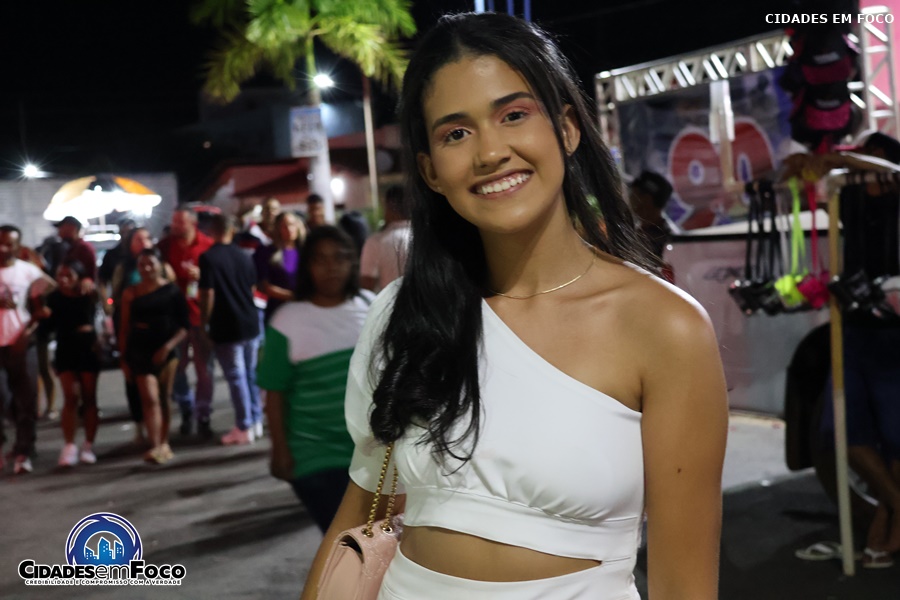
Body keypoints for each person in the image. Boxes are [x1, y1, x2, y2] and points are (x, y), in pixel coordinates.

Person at [300, 13, 727, 600]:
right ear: (429, 170)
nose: (490, 152)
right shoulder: (405, 314)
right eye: (456, 133)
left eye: (514, 115)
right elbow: (360, 509)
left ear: (567, 129)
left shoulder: (665, 327)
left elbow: (685, 584)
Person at [257, 226, 375, 533]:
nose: (331, 267)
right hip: (315, 455)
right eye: (320, 259)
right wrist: (280, 450)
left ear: (352, 262)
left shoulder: (371, 306)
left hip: (371, 453)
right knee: (345, 541)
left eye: (340, 258)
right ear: (307, 266)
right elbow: (274, 393)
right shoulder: (288, 321)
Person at [119, 249, 190, 464]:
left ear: (160, 265)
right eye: (142, 265)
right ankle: (155, 444)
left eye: (151, 263)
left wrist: (167, 348)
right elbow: (124, 328)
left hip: (166, 348)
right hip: (139, 348)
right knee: (149, 398)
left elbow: (184, 327)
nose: (146, 268)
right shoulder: (131, 293)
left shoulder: (172, 291)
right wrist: (123, 358)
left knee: (163, 398)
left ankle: (164, 442)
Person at [199, 214, 262, 445]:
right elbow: (252, 287)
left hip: (226, 323)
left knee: (236, 376)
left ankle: (244, 426)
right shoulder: (244, 256)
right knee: (250, 374)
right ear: (231, 230)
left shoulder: (208, 258)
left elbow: (207, 293)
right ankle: (255, 420)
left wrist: (204, 322)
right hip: (250, 320)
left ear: (212, 231)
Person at [0, 225, 56, 474]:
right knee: (3, 397)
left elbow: (49, 290)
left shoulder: (27, 270)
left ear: (18, 246)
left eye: (8, 244)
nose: (3, 249)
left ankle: (24, 450)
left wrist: (30, 327)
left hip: (22, 341)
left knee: (27, 397)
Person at [159, 207, 216, 438]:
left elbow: (217, 278)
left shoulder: (208, 246)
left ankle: (203, 414)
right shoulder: (164, 247)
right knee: (177, 367)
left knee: (205, 369)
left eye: (180, 222)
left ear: (193, 223)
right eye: (174, 222)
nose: (175, 226)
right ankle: (186, 408)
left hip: (200, 315)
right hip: (174, 318)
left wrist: (203, 275)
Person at [44, 260, 101, 466]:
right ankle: (69, 445)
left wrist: (91, 284)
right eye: (60, 275)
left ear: (79, 277)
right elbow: (48, 325)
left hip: (87, 347)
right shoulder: (54, 298)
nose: (63, 279)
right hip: (65, 347)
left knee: (89, 397)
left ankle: (88, 445)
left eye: (69, 275)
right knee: (70, 396)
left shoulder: (88, 293)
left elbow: (101, 301)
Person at [254, 211, 307, 324]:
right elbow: (265, 286)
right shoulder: (266, 252)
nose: (289, 229)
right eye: (284, 226)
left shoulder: (305, 252)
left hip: (303, 311)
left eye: (292, 224)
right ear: (277, 229)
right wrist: (293, 296)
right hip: (278, 312)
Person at [360, 184, 412, 292]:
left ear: (388, 207)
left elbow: (367, 284)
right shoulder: (426, 238)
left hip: (390, 301)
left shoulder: (376, 242)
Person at [629, 171, 673, 261]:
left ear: (647, 199)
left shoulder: (661, 241)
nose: (630, 199)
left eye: (633, 194)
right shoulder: (638, 232)